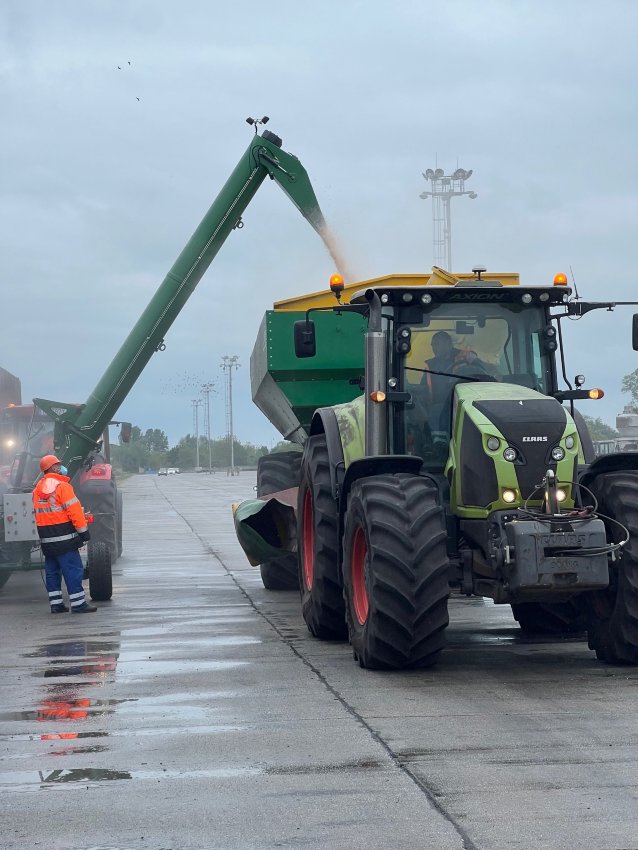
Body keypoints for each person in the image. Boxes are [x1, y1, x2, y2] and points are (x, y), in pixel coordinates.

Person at [32, 454, 97, 614]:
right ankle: (79, 604)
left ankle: (56, 604)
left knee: (52, 571)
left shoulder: (37, 489)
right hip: (65, 538)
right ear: (53, 468)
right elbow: (75, 513)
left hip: (46, 539)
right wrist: (84, 534)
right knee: (73, 569)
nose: (61, 467)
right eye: (58, 464)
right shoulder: (62, 487)